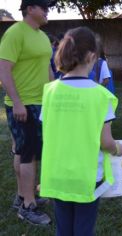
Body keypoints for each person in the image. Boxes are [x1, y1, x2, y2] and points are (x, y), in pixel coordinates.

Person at [39, 26, 122, 236]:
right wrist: (119, 148)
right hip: (86, 177)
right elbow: (106, 143)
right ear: (91, 56)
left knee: (63, 229)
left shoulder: (49, 91)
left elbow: (49, 131)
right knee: (83, 229)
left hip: (56, 175)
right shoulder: (101, 96)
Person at [0, 0, 55, 225]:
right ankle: (27, 207)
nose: (47, 11)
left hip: (41, 103)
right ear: (30, 8)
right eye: (44, 7)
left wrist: (54, 95)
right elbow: (3, 70)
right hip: (22, 105)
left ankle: (24, 195)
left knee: (26, 151)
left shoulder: (42, 36)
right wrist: (17, 102)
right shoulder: (15, 33)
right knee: (27, 152)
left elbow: (48, 68)